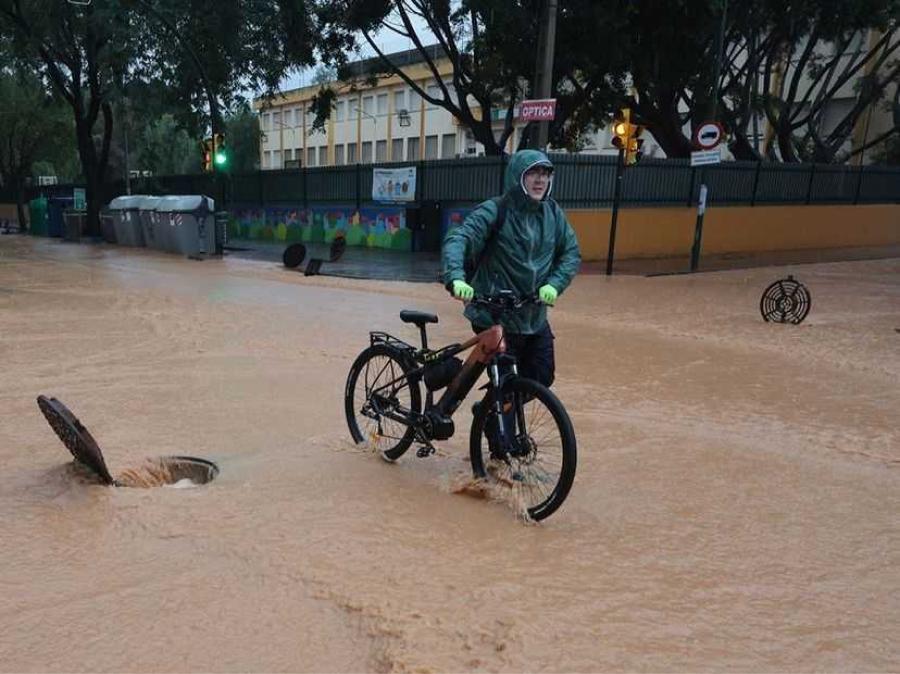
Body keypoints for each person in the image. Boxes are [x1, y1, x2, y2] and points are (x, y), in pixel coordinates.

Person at [441, 149, 581, 389]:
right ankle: (496, 419)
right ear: (518, 176)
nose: (540, 180)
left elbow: (571, 253)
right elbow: (459, 239)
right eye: (533, 173)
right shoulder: (495, 210)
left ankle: (490, 412)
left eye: (545, 174)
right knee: (505, 383)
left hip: (533, 314)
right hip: (494, 313)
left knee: (541, 377)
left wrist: (554, 285)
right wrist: (456, 279)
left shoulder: (553, 214)